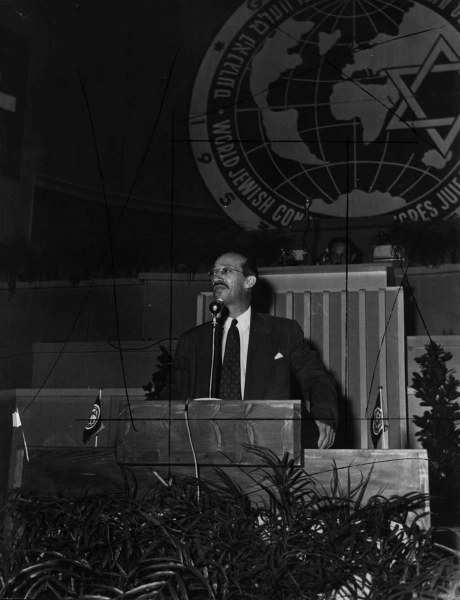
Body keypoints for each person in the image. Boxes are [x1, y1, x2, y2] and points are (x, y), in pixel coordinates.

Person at [171, 252, 338, 449]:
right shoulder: (192, 340)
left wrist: (324, 417)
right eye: (213, 272)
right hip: (206, 446)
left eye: (226, 271)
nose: (216, 277)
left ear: (249, 281)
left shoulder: (284, 332)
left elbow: (316, 379)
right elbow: (172, 395)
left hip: (270, 445)